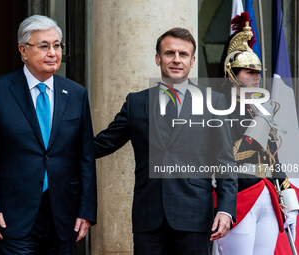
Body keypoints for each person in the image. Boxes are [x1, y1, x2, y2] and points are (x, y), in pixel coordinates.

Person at [94, 27, 238, 255]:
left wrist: (226, 209)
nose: (176, 60)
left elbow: (225, 162)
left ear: (192, 61)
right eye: (170, 53)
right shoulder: (136, 102)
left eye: (183, 54)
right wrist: (56, 144)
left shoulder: (214, 102)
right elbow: (102, 144)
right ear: (158, 58)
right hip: (148, 215)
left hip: (195, 215)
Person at [0, 15, 97, 254]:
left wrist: (86, 210)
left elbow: (85, 156)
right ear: (23, 50)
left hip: (64, 215)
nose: (53, 52)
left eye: (57, 45)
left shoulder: (76, 93)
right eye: (44, 46)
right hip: (12, 215)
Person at [213, 12, 299, 255]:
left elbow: (273, 156)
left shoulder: (260, 108)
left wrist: (288, 197)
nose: (256, 77)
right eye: (248, 72)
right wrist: (258, 129)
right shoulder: (219, 107)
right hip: (239, 194)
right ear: (232, 74)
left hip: (268, 194)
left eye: (258, 72)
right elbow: (223, 155)